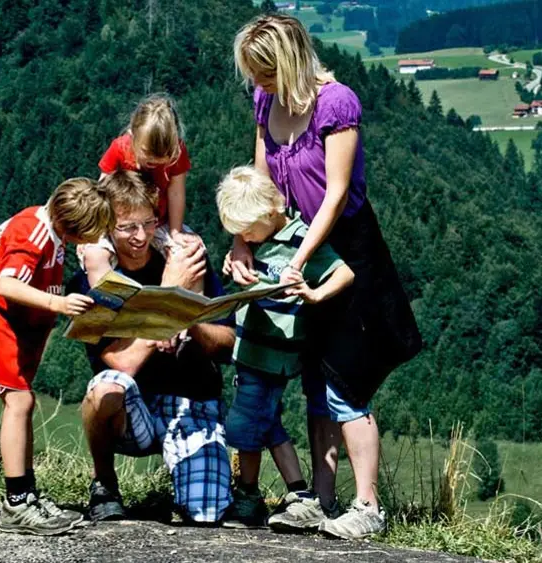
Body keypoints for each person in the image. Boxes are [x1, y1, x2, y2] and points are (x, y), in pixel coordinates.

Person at [231, 14, 423, 539]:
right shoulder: (266, 103)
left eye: (265, 73)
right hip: (294, 243)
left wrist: (296, 259)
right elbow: (259, 185)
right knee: (315, 379)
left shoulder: (336, 103)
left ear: (289, 62)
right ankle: (320, 499)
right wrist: (244, 241)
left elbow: (336, 195)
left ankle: (368, 507)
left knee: (347, 383)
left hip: (348, 251)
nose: (258, 85)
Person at [0, 178, 114, 536]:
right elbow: (7, 285)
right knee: (19, 400)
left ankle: (26, 494)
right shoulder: (32, 235)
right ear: (70, 226)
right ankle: (16, 502)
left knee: (22, 400)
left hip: (3, 316)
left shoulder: (45, 224)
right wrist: (57, 304)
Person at [78, 170, 234, 525]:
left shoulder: (185, 259)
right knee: (104, 389)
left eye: (148, 223)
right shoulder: (97, 277)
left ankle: (184, 487)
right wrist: (164, 305)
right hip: (134, 408)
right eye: (127, 227)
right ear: (106, 227)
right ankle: (104, 484)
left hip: (192, 400)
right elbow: (117, 362)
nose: (141, 236)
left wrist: (188, 322)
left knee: (207, 512)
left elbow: (228, 343)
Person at [215, 166, 355, 530]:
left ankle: (247, 497)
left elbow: (344, 273)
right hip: (249, 349)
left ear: (272, 212)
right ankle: (298, 492)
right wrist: (235, 265)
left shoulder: (302, 240)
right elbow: (249, 260)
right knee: (268, 423)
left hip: (274, 356)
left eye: (247, 230)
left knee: (244, 426)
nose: (244, 237)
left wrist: (314, 294)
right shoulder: (255, 238)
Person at [80, 94, 202, 290]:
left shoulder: (177, 152)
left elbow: (176, 193)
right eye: (147, 154)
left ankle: (192, 307)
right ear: (132, 135)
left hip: (157, 221)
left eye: (163, 156)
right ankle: (105, 300)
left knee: (190, 252)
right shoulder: (120, 148)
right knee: (95, 254)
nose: (154, 161)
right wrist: (94, 229)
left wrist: (175, 231)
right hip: (119, 223)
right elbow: (100, 191)